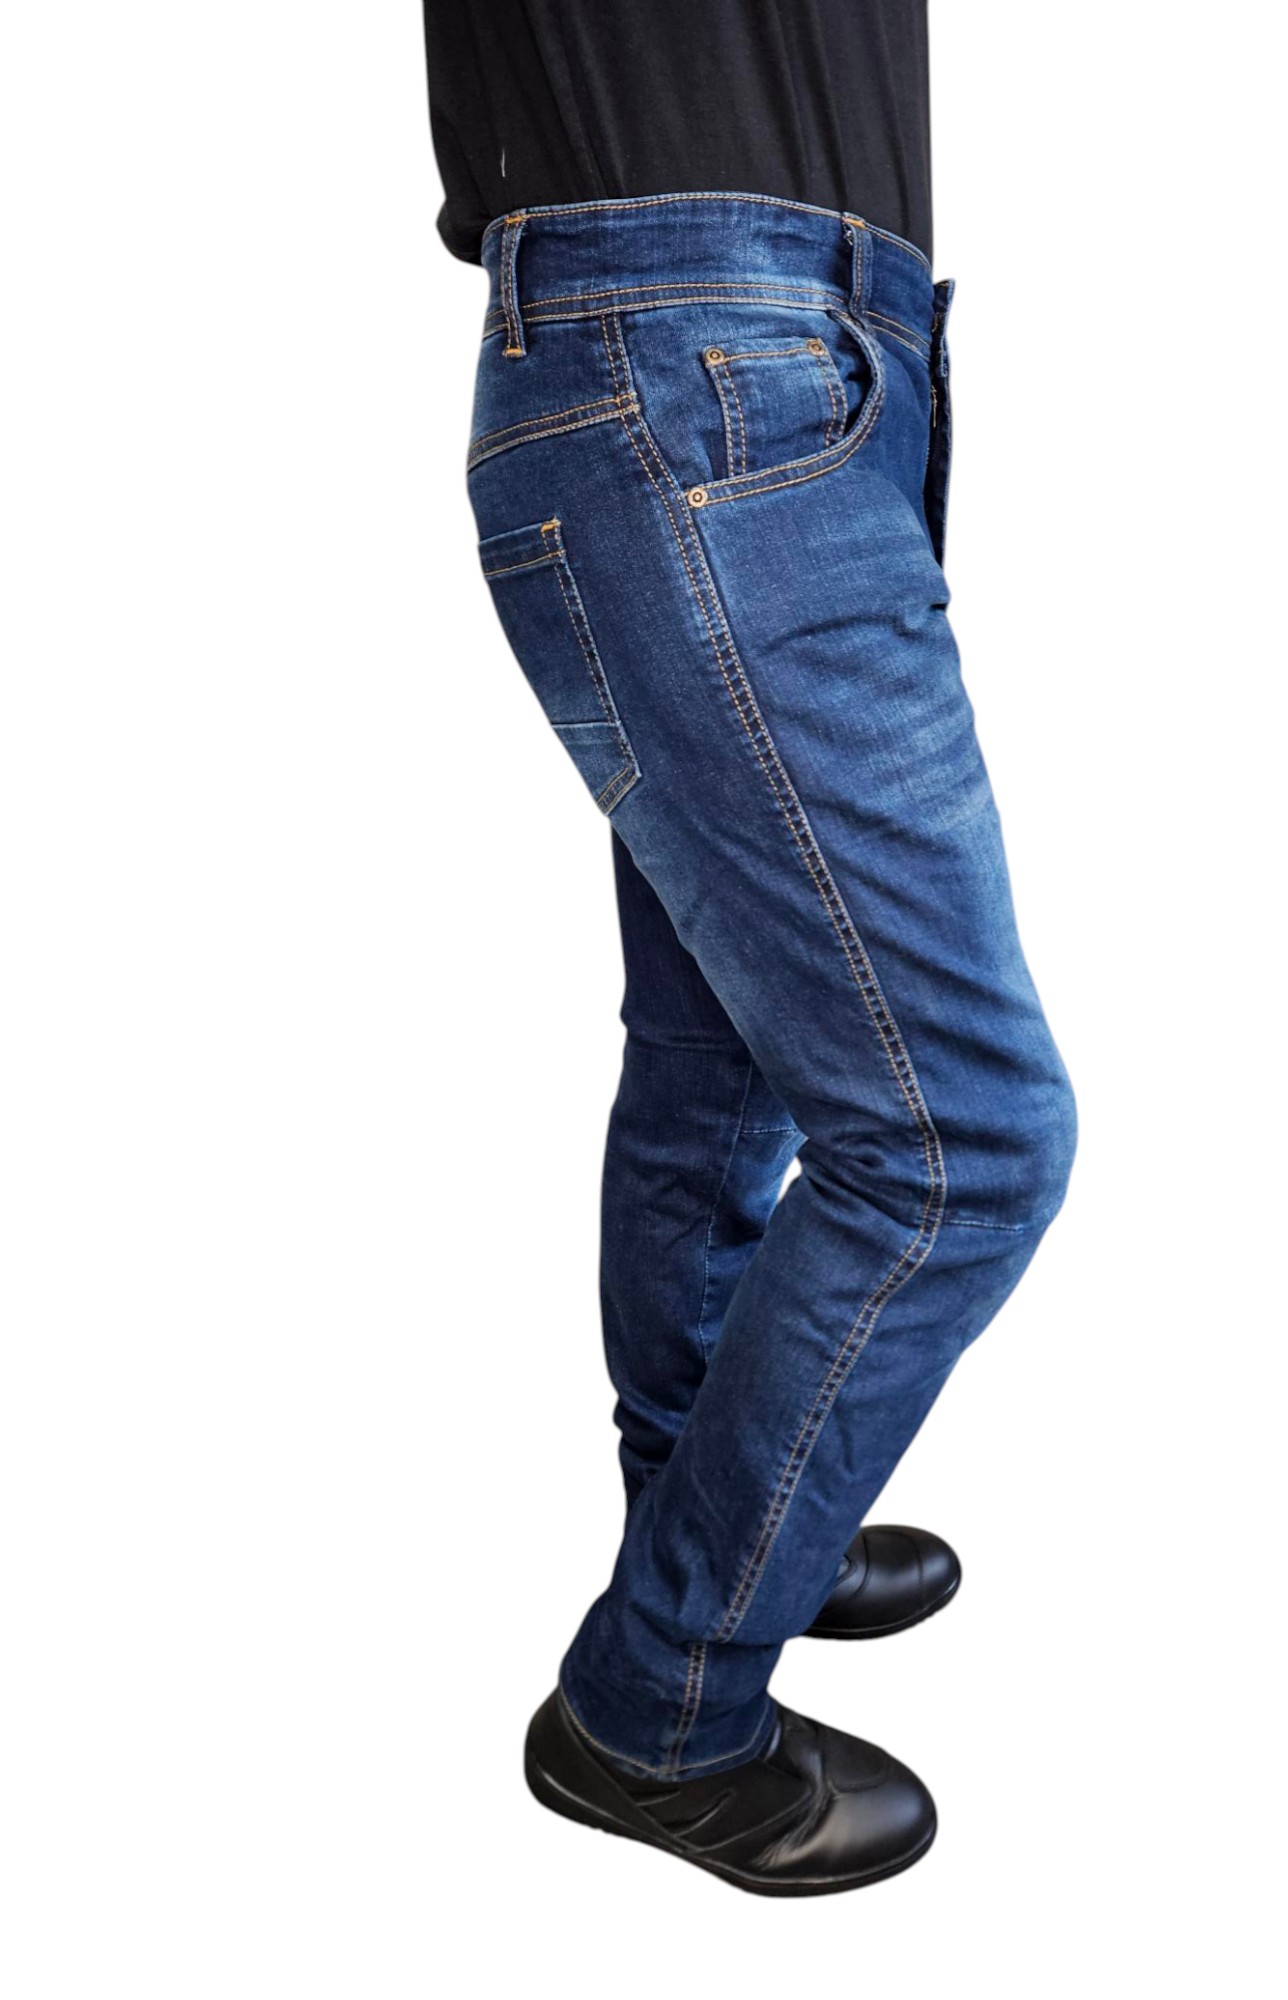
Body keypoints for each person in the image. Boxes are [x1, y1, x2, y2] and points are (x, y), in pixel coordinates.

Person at [423, 0, 1077, 1895]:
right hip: (702, 345)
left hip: (797, 351)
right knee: (959, 1141)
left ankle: (718, 1515)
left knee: (728, 1057)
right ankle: (658, 1711)